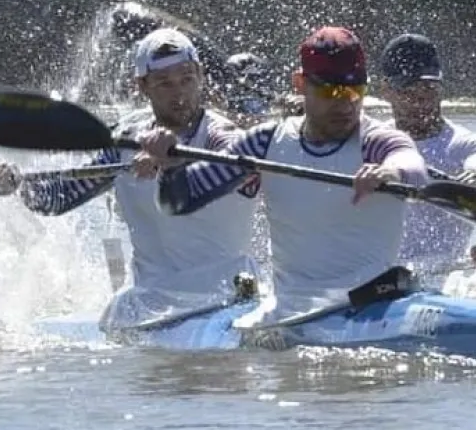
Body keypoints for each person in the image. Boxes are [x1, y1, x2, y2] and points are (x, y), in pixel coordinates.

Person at [137, 26, 429, 322]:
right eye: (331, 91)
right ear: (300, 84)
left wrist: (390, 171)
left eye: (356, 90)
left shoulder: (375, 141)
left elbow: (413, 166)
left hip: (373, 303)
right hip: (293, 315)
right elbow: (179, 202)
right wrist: (171, 167)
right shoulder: (264, 143)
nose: (346, 104)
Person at [0, 27, 264, 329]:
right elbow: (58, 199)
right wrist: (19, 185)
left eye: (187, 79)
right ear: (142, 86)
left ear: (200, 75)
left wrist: (170, 162)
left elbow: (237, 163)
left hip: (226, 298)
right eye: (165, 83)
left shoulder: (219, 134)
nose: (180, 93)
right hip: (151, 307)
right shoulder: (126, 140)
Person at [378, 33, 476, 276]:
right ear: (386, 91)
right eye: (409, 91)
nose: (421, 101)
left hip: (444, 275)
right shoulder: (370, 142)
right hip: (380, 276)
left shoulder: (465, 145)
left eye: (429, 89)